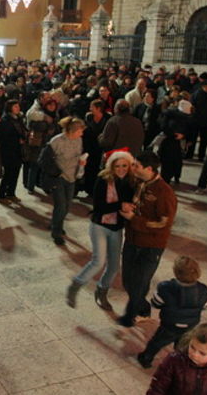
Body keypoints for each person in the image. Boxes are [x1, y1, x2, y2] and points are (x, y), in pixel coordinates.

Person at [66, 150, 135, 310]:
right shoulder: (103, 179)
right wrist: (120, 205)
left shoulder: (130, 182)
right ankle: (75, 285)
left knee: (114, 266)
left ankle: (101, 292)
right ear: (111, 166)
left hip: (117, 228)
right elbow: (99, 208)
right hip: (100, 226)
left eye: (125, 166)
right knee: (98, 261)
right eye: (117, 166)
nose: (121, 169)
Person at [117, 151, 178, 327]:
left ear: (149, 169)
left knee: (139, 283)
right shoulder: (138, 182)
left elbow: (163, 223)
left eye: (136, 165)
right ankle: (143, 309)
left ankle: (129, 317)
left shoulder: (164, 192)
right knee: (128, 281)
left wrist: (133, 219)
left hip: (151, 245)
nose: (132, 168)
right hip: (132, 240)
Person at [137, 256, 207, 368]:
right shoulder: (203, 290)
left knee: (157, 342)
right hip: (190, 324)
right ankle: (179, 363)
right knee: (182, 345)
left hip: (170, 324)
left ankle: (146, 358)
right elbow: (206, 305)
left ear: (176, 272)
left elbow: (156, 303)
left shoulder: (165, 287)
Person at [146, 323, 207, 395]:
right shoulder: (174, 361)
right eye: (192, 347)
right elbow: (157, 388)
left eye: (202, 353)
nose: (195, 354)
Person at [43, 116, 87, 245]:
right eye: (80, 131)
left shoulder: (79, 140)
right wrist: (55, 172)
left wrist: (81, 162)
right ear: (73, 131)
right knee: (61, 206)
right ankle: (56, 232)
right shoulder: (56, 141)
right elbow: (44, 160)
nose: (82, 133)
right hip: (59, 178)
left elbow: (78, 155)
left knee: (67, 206)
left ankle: (55, 223)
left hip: (72, 177)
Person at [0, 100, 27, 202]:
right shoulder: (5, 121)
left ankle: (11, 193)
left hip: (18, 150)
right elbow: (1, 137)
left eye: (18, 106)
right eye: (15, 106)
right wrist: (17, 140)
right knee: (8, 174)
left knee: (16, 173)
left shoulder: (19, 118)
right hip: (8, 151)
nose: (18, 108)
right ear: (9, 108)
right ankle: (1, 195)